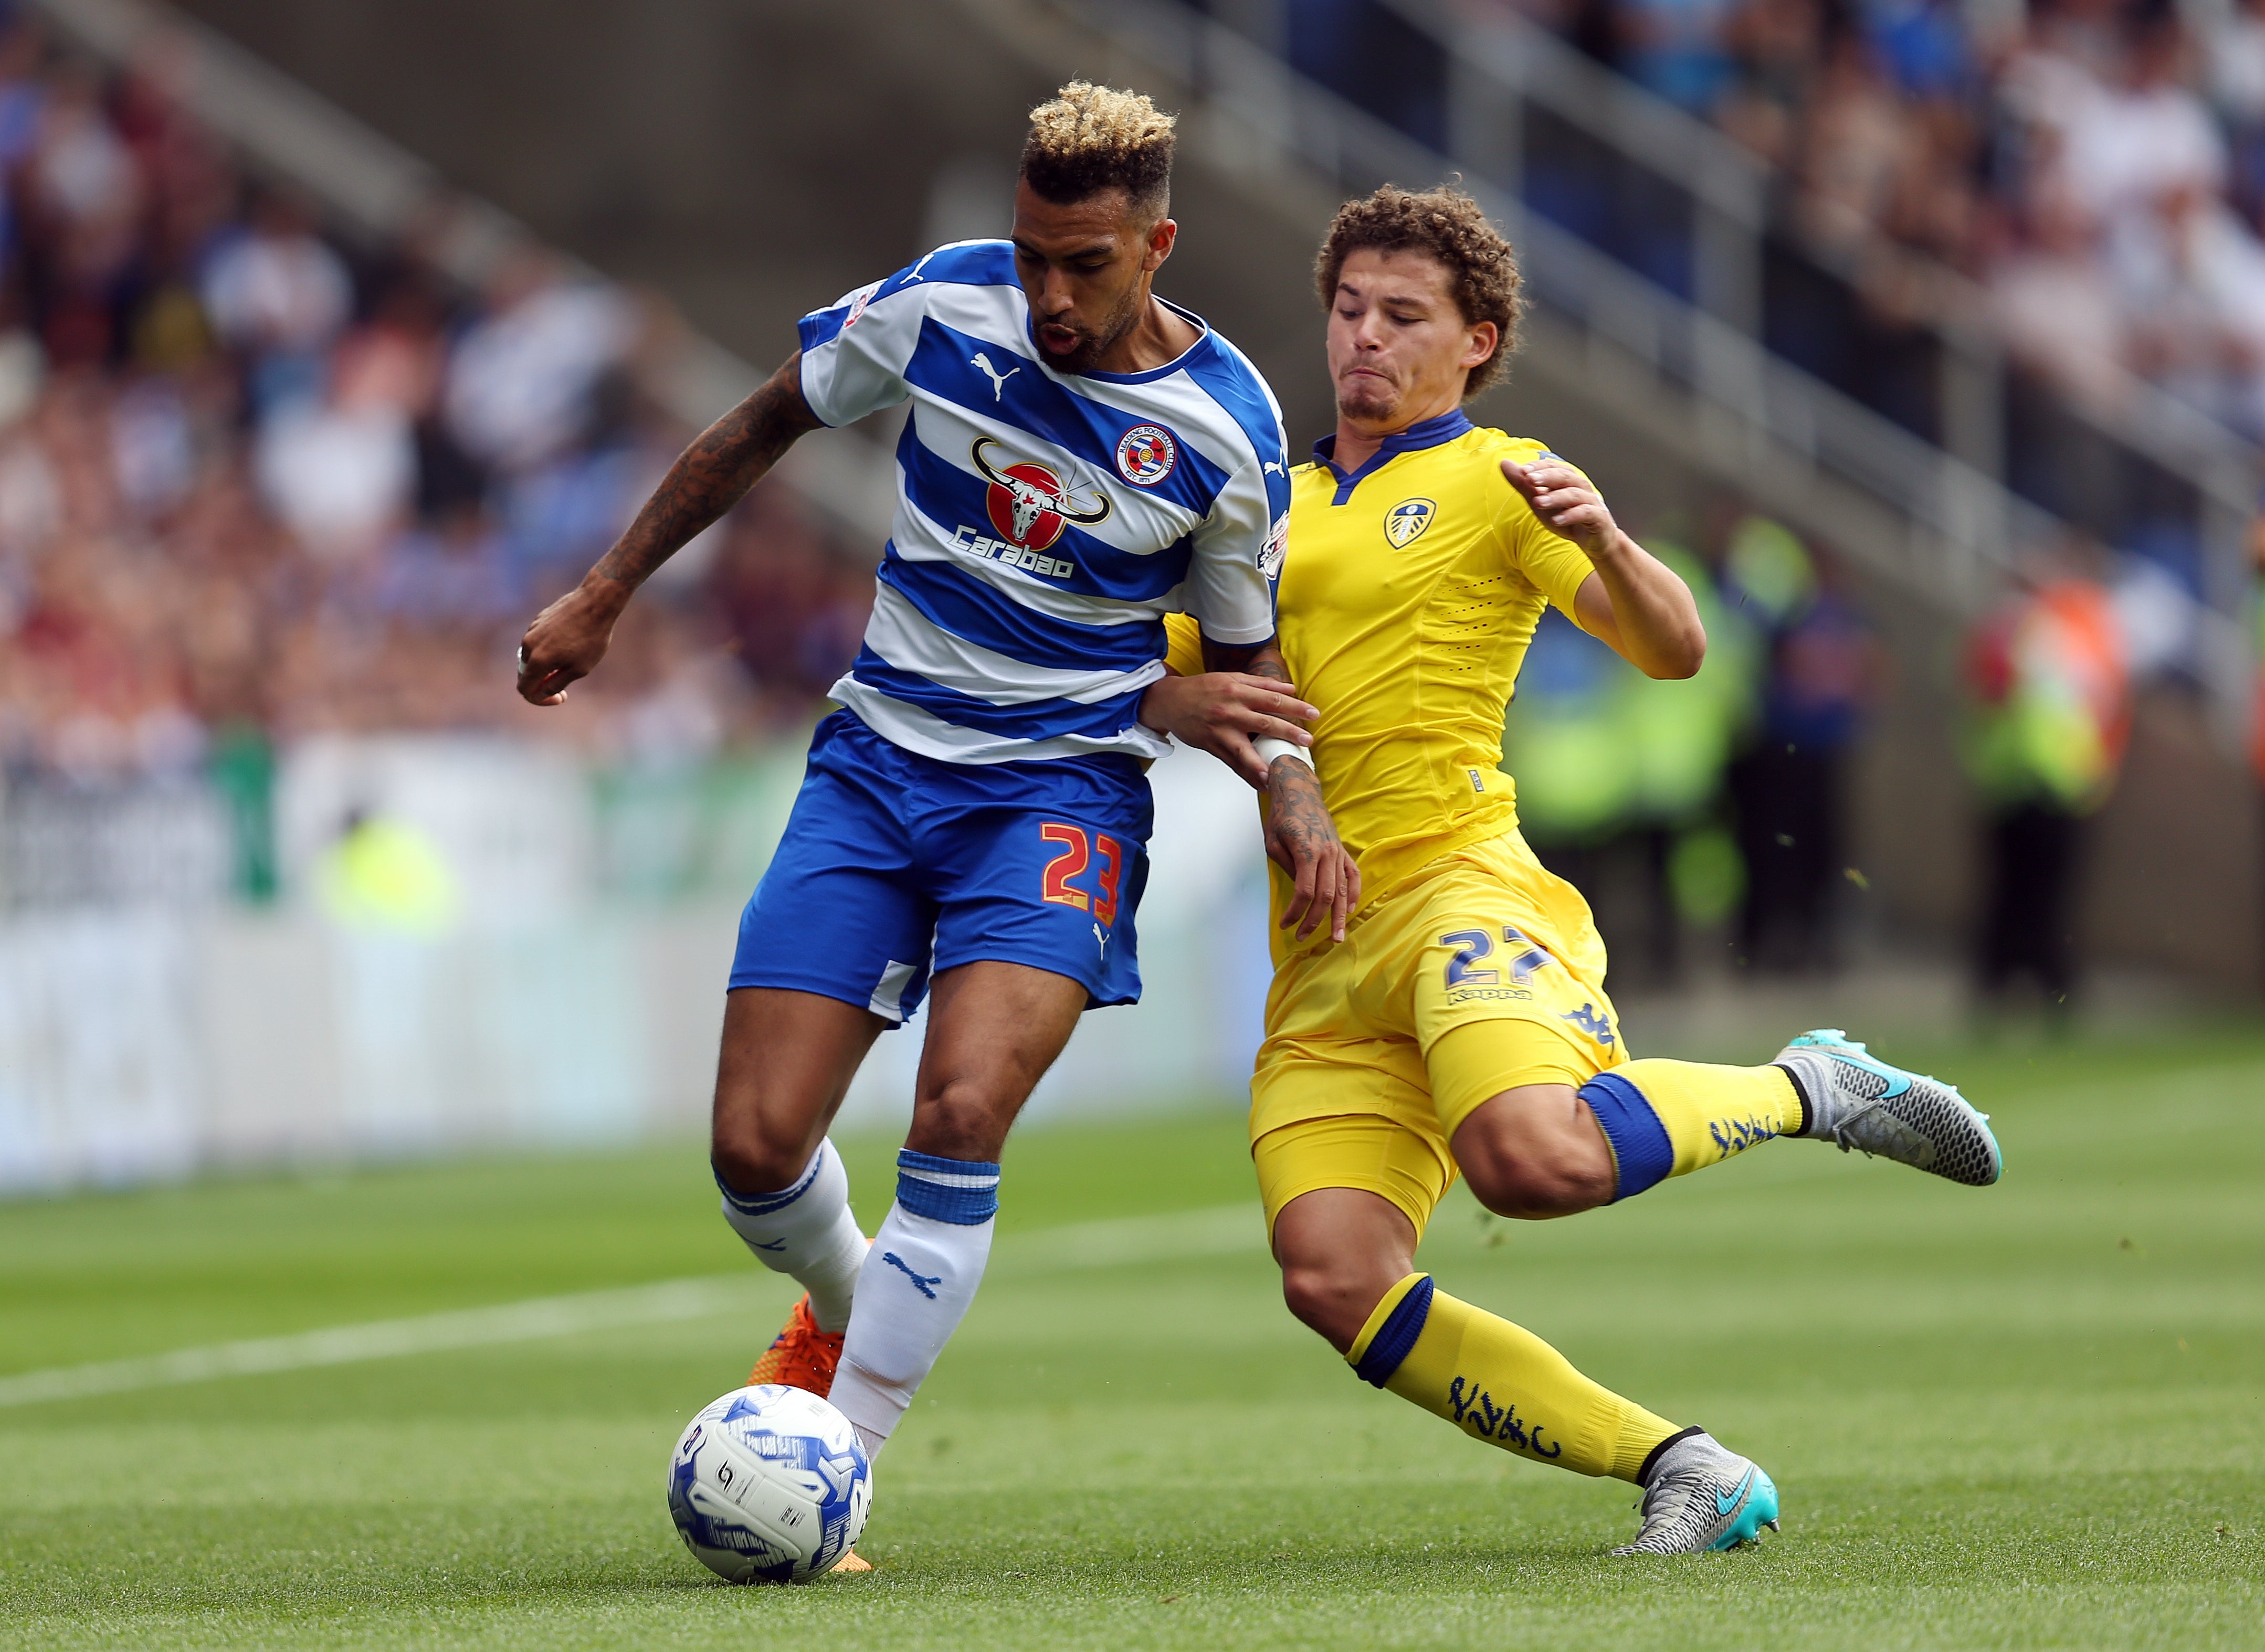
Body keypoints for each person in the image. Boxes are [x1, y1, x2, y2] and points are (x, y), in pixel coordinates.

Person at [513, 83, 1356, 1565]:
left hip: (1056, 793)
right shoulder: (940, 304)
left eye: (1083, 264)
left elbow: (1242, 664)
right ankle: (853, 1309)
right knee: (753, 1148)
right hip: (877, 766)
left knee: (958, 1111)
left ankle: (840, 1453)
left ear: (1156, 245)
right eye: (1032, 253)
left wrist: (1293, 800)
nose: (1047, 292)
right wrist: (604, 591)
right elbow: (764, 419)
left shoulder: (1223, 430)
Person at [1143, 185, 2002, 1556]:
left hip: (1459, 890)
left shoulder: (1498, 479)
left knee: (1529, 1160)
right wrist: (1161, 697)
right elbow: (1151, 672)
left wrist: (1604, 536)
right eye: (1347, 309)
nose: (1364, 336)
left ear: (1475, 340)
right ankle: (1688, 1469)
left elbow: (1675, 649)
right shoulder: (1258, 509)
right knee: (1332, 1276)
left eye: (1402, 314)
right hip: (1319, 951)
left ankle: (1809, 1087)